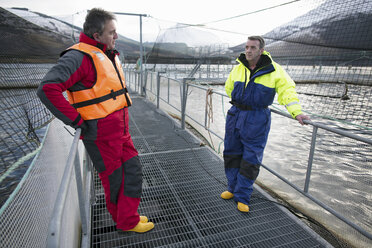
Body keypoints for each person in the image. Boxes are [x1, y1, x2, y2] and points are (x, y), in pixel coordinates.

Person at [37, 8, 154, 233]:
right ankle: (125, 222)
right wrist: (75, 120)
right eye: (112, 32)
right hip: (100, 135)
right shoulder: (78, 57)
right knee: (115, 180)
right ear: (96, 35)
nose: (116, 37)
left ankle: (128, 217)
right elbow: (48, 88)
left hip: (121, 131)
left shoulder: (106, 53)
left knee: (133, 171)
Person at [221, 36, 310, 212]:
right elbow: (228, 88)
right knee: (231, 153)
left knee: (251, 159)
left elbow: (287, 91)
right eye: (246, 47)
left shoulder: (274, 70)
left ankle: (242, 196)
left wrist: (296, 112)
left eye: (252, 47)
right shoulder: (238, 68)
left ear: (261, 50)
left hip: (257, 117)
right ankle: (232, 188)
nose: (248, 50)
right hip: (235, 114)